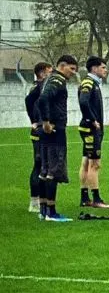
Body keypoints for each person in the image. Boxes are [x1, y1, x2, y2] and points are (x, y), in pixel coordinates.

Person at [37, 55, 77, 222]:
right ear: (62, 65)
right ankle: (51, 213)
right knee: (54, 170)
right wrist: (46, 122)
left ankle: (43, 209)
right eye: (72, 69)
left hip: (47, 132)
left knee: (45, 170)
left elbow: (36, 99)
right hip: (55, 130)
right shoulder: (57, 81)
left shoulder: (49, 79)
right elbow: (43, 99)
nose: (73, 73)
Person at [77, 56, 109, 208]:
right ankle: (96, 199)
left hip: (88, 128)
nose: (106, 70)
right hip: (91, 129)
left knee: (86, 162)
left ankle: (84, 198)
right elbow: (83, 101)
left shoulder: (93, 83)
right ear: (94, 68)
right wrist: (92, 120)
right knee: (95, 164)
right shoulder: (88, 83)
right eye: (103, 67)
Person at [25, 61, 51, 214]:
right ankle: (34, 201)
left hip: (43, 129)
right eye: (49, 71)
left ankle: (42, 200)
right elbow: (28, 101)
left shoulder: (44, 86)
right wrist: (34, 121)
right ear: (42, 73)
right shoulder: (38, 87)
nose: (51, 74)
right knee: (39, 165)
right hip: (39, 131)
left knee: (44, 165)